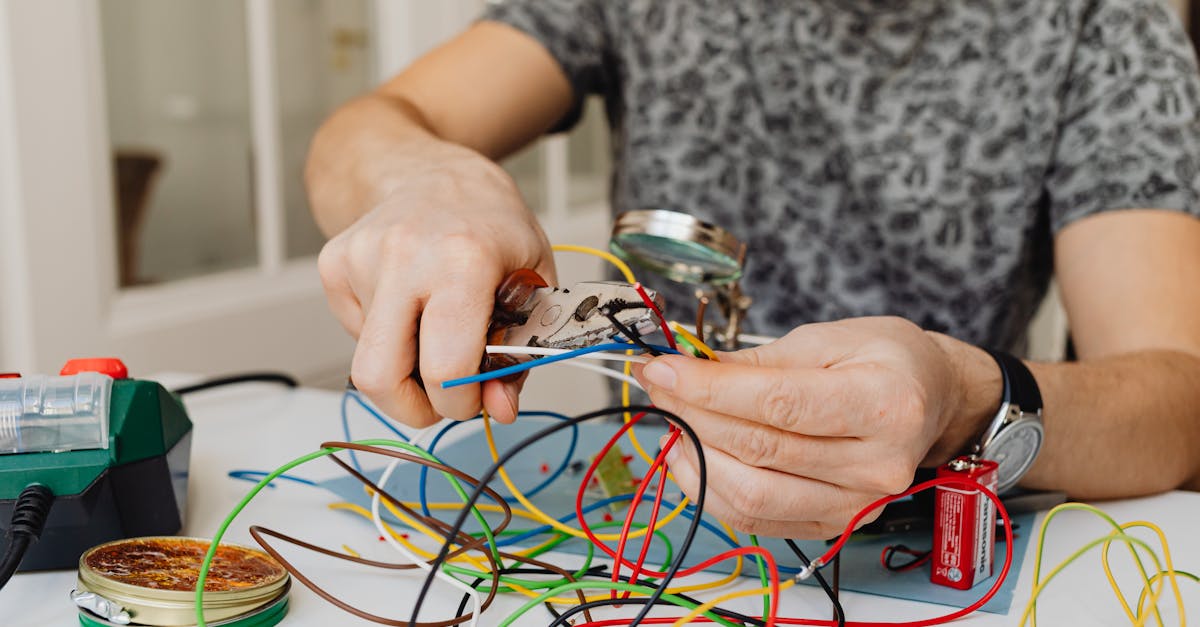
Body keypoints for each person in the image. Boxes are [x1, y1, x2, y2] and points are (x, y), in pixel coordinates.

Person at [306, 0, 1200, 539]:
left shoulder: (1102, 29)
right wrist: (431, 178)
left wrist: (967, 399)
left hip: (920, 535)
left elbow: (1175, 401)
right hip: (647, 531)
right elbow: (365, 131)